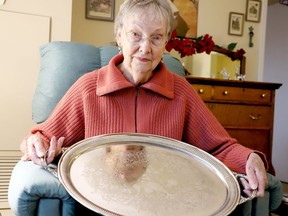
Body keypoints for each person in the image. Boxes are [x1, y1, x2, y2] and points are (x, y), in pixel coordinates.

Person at [9, 0, 282, 215]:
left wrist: (250, 158)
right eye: (135, 35)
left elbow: (219, 146)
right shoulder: (88, 87)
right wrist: (36, 143)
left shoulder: (181, 92)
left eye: (156, 37)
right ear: (119, 36)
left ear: (166, 42)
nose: (144, 48)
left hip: (164, 204)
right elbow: (42, 137)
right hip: (99, 203)